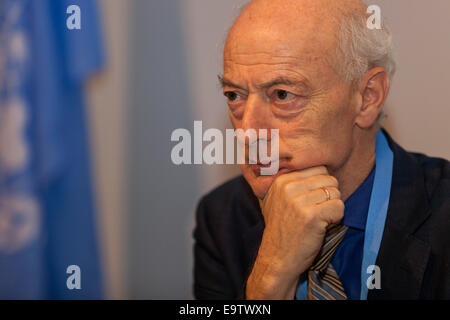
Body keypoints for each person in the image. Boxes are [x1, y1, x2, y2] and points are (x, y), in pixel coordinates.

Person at [193, 0, 450, 300]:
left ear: (367, 97)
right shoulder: (222, 218)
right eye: (234, 95)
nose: (249, 132)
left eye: (282, 94)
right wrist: (272, 275)